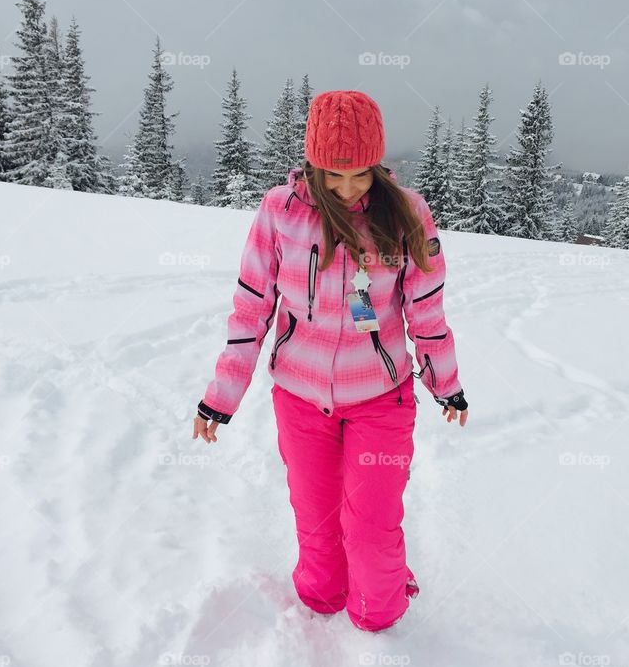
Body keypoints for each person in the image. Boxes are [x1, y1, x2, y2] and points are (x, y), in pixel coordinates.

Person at [192, 89, 468, 632]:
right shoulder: (280, 211)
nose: (347, 190)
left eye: (360, 175)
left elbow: (427, 312)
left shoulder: (407, 215)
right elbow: (252, 309)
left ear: (379, 166)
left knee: (370, 543)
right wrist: (221, 396)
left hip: (380, 401)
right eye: (332, 176)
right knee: (319, 560)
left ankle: (385, 613)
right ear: (312, 166)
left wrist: (446, 383)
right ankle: (326, 600)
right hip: (299, 398)